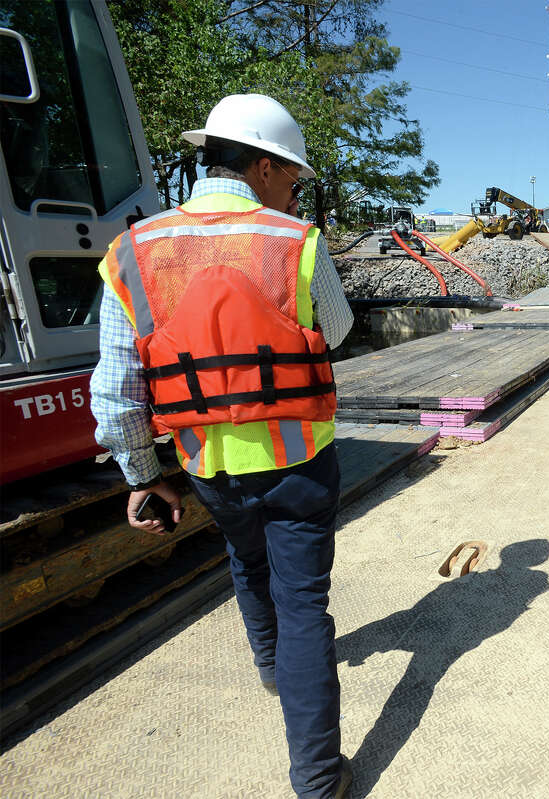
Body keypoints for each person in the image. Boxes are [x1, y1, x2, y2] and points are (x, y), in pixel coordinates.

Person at [90, 93, 354, 799]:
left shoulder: (133, 251)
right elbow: (337, 329)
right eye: (292, 176)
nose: (295, 190)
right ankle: (320, 781)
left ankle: (270, 669)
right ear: (263, 167)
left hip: (207, 465)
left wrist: (145, 475)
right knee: (305, 605)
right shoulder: (294, 242)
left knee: (245, 558)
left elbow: (117, 392)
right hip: (299, 462)